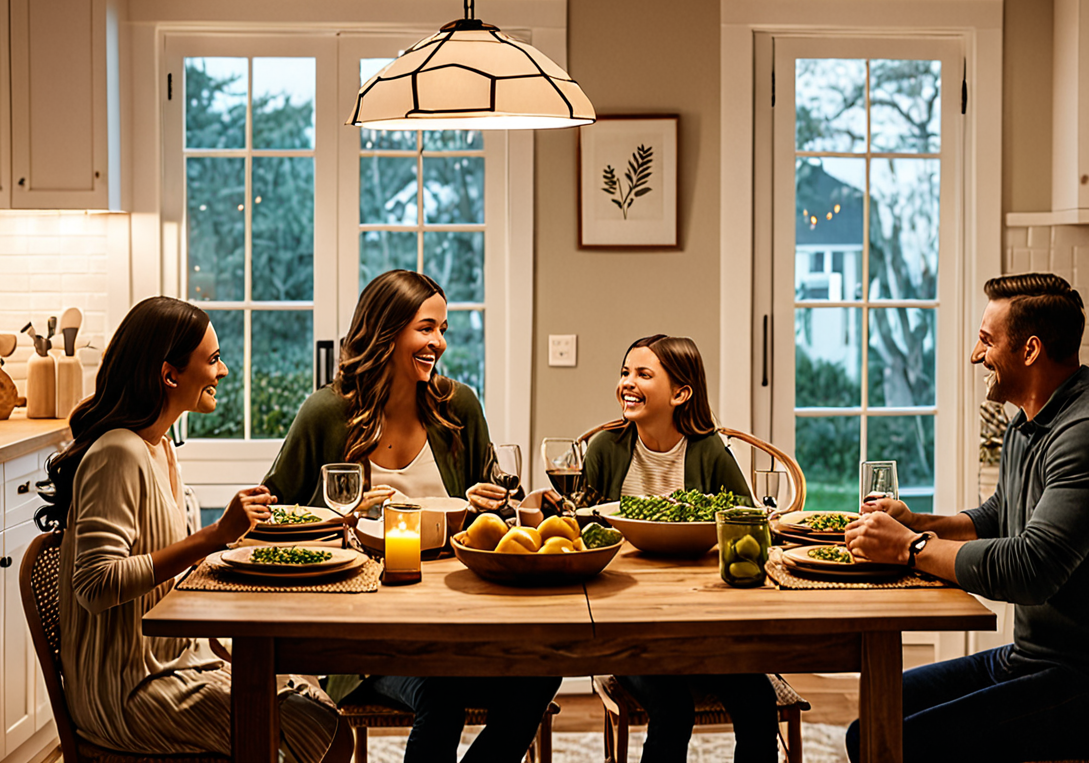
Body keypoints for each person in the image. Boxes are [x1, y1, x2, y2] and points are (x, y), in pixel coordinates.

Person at [841, 273, 1089, 762]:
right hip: (1039, 662)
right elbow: (1001, 515)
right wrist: (917, 524)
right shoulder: (1029, 422)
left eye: (986, 340)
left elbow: (1031, 569)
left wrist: (907, 549)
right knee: (869, 729)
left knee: (902, 744)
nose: (976, 355)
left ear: (1030, 350)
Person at [263, 268, 560, 763]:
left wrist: (497, 506)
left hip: (459, 619)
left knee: (545, 669)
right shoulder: (325, 414)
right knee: (441, 693)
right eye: (426, 328)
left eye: (443, 329)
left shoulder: (458, 406)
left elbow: (497, 515)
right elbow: (272, 515)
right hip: (369, 634)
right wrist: (339, 519)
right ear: (385, 331)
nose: (438, 343)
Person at [36, 296, 342, 762]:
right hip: (128, 690)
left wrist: (226, 545)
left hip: (177, 663)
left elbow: (171, 564)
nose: (222, 372)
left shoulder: (160, 447)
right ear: (169, 374)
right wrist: (217, 535)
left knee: (321, 714)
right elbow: (95, 586)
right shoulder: (118, 452)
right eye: (213, 359)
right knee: (310, 725)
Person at [583, 334, 777, 763]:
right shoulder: (605, 450)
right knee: (673, 708)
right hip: (629, 627)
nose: (627, 383)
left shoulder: (708, 450)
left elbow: (748, 527)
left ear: (681, 393)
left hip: (704, 626)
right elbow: (582, 535)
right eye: (624, 372)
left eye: (643, 374)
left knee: (757, 701)